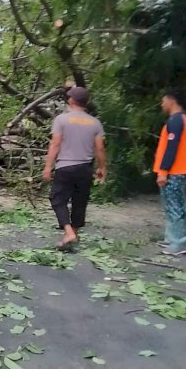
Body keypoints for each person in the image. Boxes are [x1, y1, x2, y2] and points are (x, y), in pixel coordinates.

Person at [42, 86, 107, 251]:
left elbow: (55, 143)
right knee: (80, 202)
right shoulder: (95, 122)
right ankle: (73, 235)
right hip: (85, 168)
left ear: (71, 100)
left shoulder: (61, 120)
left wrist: (48, 167)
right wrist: (102, 167)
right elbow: (100, 148)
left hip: (65, 166)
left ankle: (69, 232)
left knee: (57, 199)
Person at [154, 91, 186, 256]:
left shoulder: (176, 120)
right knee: (174, 206)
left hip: (173, 171)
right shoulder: (181, 119)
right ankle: (172, 239)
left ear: (171, 100)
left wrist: (163, 171)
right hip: (178, 170)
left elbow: (172, 148)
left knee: (174, 207)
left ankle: (178, 243)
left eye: (163, 101)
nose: (162, 104)